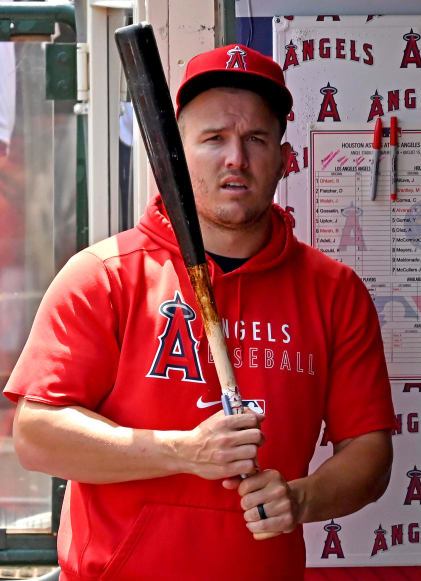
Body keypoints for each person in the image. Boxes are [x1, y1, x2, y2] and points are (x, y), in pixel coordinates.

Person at [4, 43, 395, 581]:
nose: (236, 157)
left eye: (256, 139)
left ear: (284, 160)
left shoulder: (333, 291)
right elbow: (36, 434)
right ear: (174, 157)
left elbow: (369, 453)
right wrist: (183, 452)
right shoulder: (105, 274)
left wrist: (301, 501)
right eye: (213, 139)